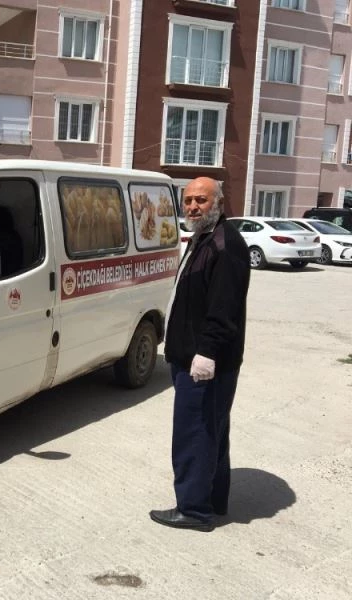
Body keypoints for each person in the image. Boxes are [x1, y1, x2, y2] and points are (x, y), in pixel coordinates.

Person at [150, 177, 250, 532]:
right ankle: (214, 499)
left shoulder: (225, 244)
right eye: (189, 200)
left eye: (201, 200)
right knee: (212, 432)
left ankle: (193, 509)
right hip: (190, 357)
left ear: (218, 203)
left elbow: (224, 309)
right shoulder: (203, 238)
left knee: (195, 435)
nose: (192, 206)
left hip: (205, 364)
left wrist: (206, 353)